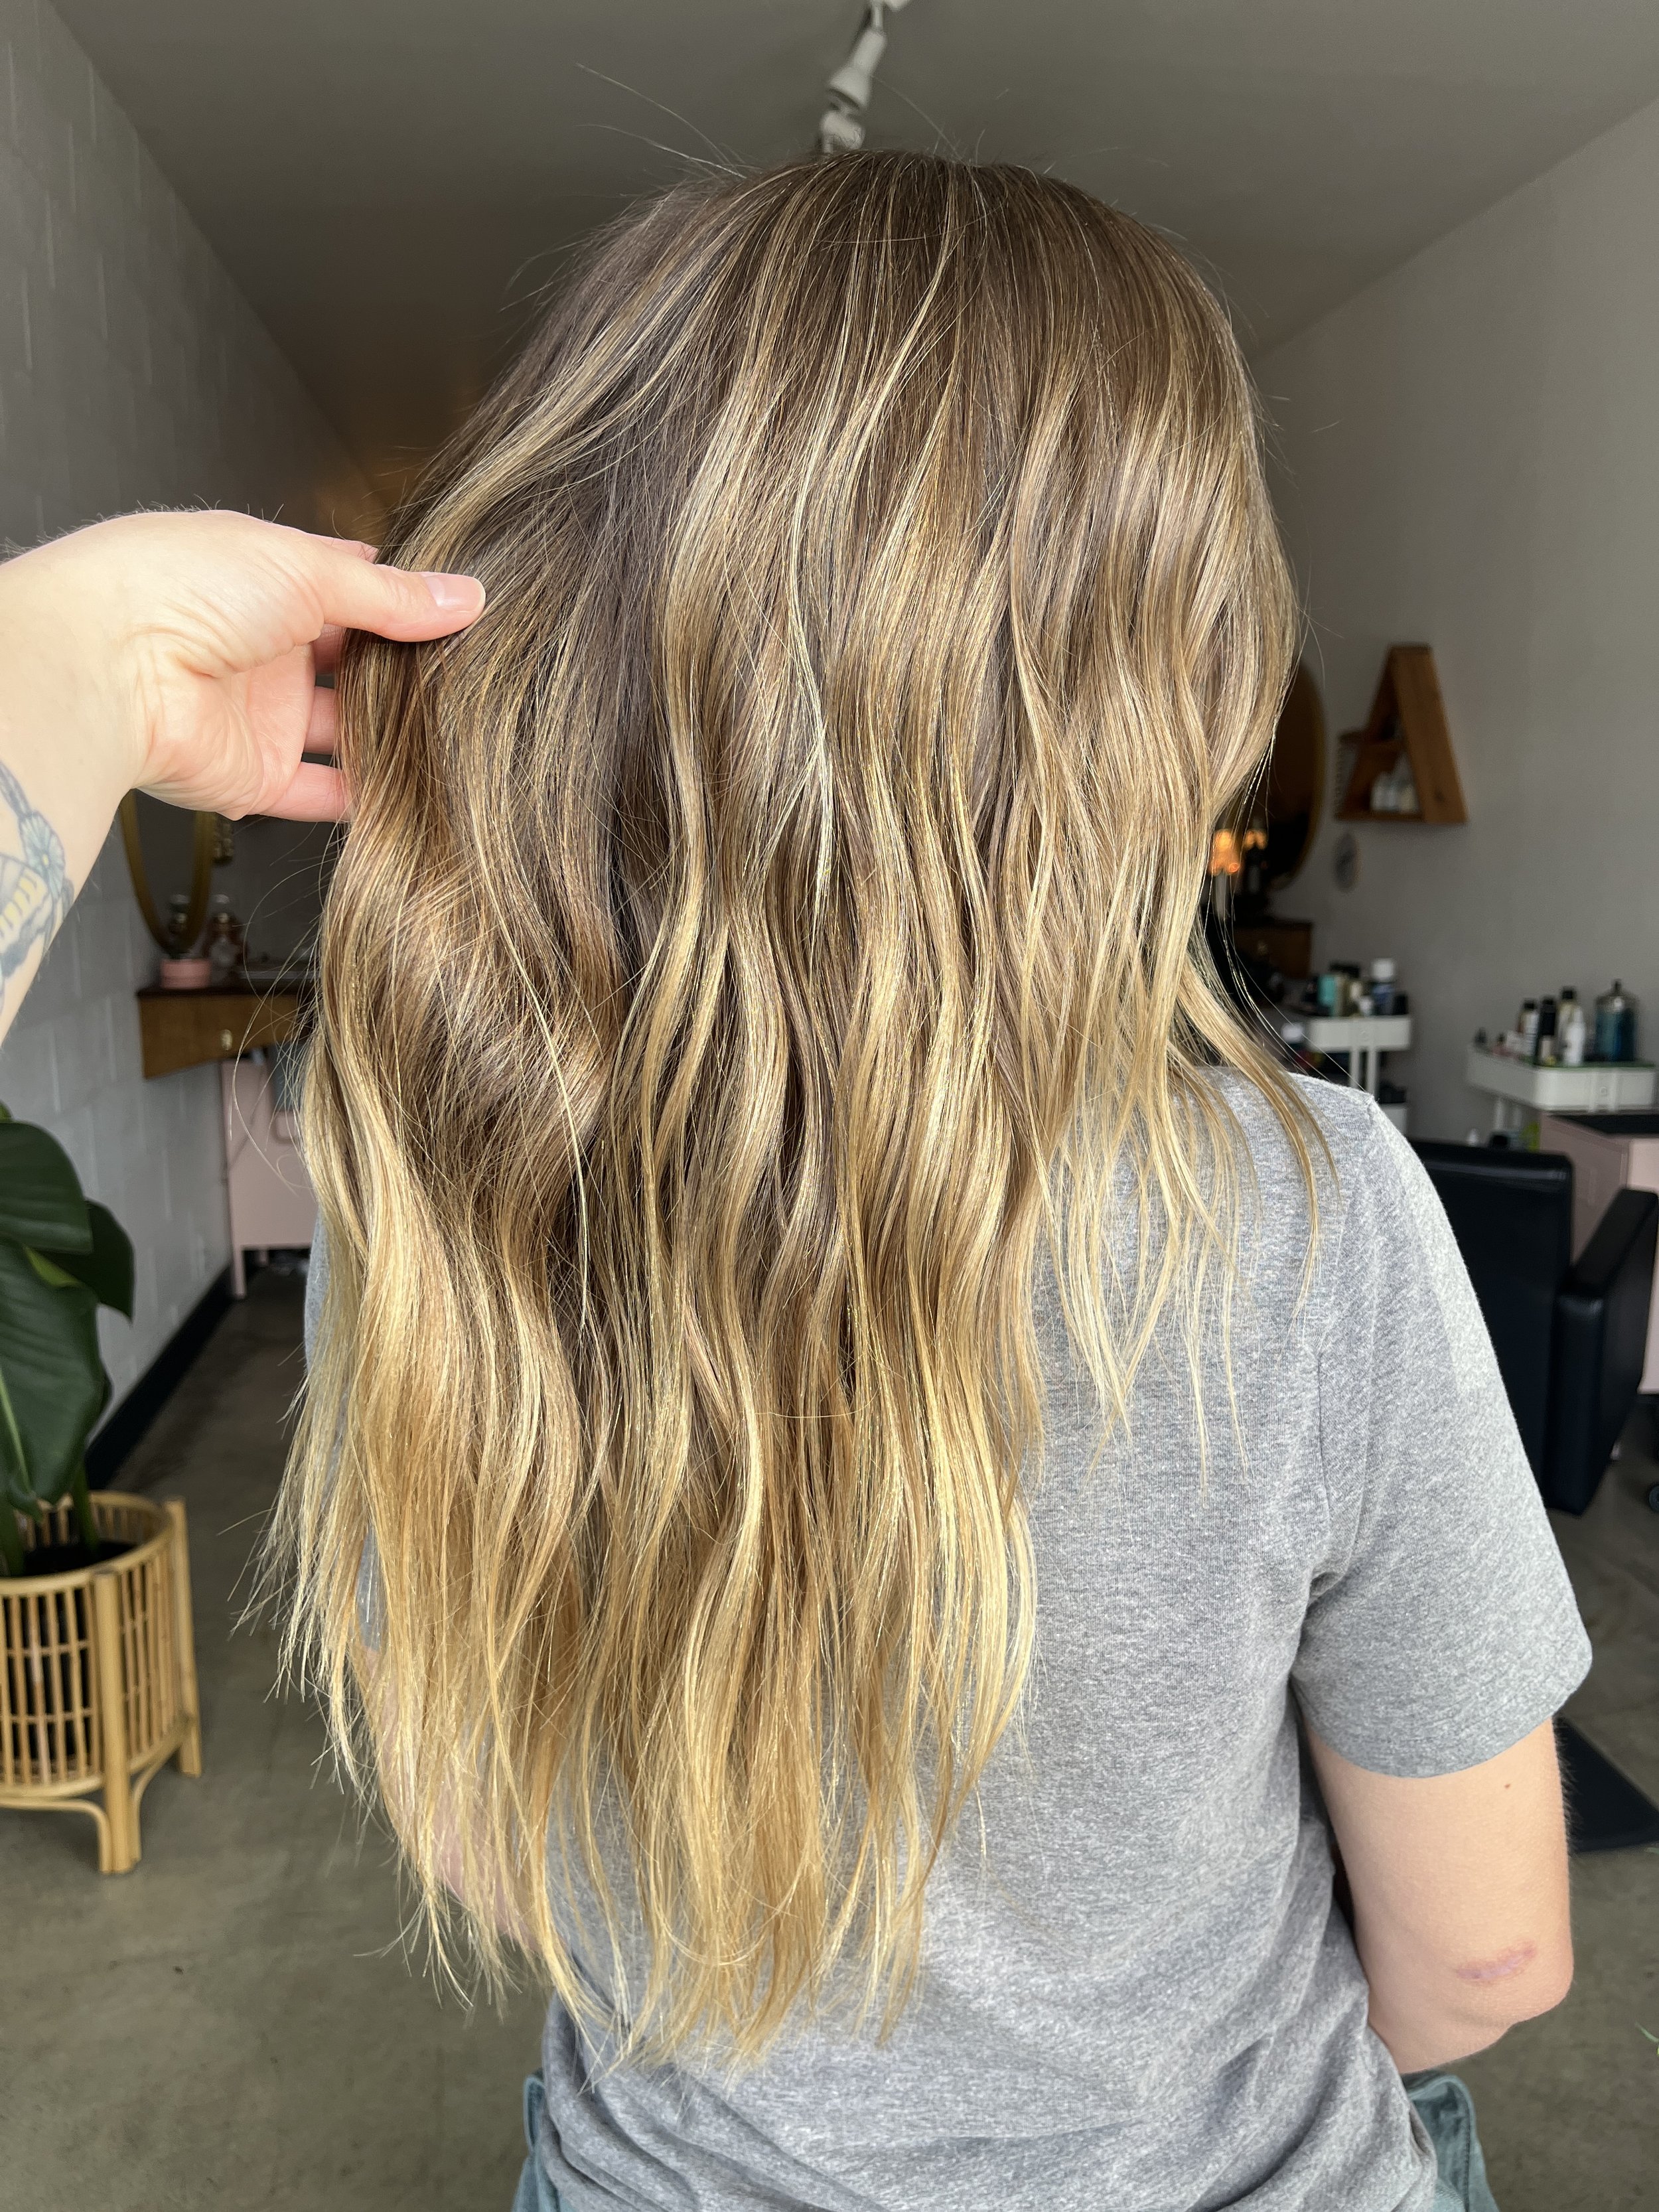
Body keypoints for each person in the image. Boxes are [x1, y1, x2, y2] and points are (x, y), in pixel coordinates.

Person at [0, 153, 1585, 2212]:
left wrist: (66, 675)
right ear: (1145, 682)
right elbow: (1484, 1958)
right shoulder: (1311, 1210)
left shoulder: (436, 1184)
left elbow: (489, 1841)